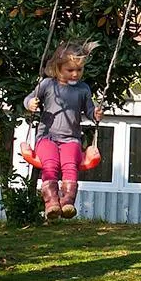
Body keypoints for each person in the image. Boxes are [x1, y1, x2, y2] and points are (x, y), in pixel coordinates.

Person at [24, 40, 103, 221]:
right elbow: (28, 98)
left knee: (70, 166)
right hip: (47, 137)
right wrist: (30, 104)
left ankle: (67, 202)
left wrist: (95, 114)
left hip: (71, 139)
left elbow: (89, 110)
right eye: (70, 70)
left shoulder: (83, 89)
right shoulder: (47, 85)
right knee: (50, 165)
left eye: (79, 70)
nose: (75, 74)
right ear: (58, 68)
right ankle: (51, 203)